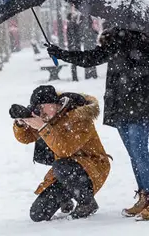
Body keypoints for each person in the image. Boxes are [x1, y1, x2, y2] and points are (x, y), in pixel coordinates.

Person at [48, 28, 149, 220]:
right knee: (133, 154)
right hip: (120, 106)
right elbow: (90, 58)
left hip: (141, 106)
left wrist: (132, 52)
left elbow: (148, 71)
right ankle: (144, 196)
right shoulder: (116, 38)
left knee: (140, 151)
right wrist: (61, 53)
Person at [12, 86, 111, 222]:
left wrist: (42, 126)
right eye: (37, 109)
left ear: (54, 103)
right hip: (64, 173)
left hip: (92, 167)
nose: (40, 113)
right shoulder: (48, 117)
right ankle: (66, 197)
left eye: (42, 108)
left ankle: (86, 203)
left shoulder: (79, 116)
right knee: (38, 214)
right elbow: (25, 138)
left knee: (61, 165)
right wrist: (21, 123)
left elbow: (65, 150)